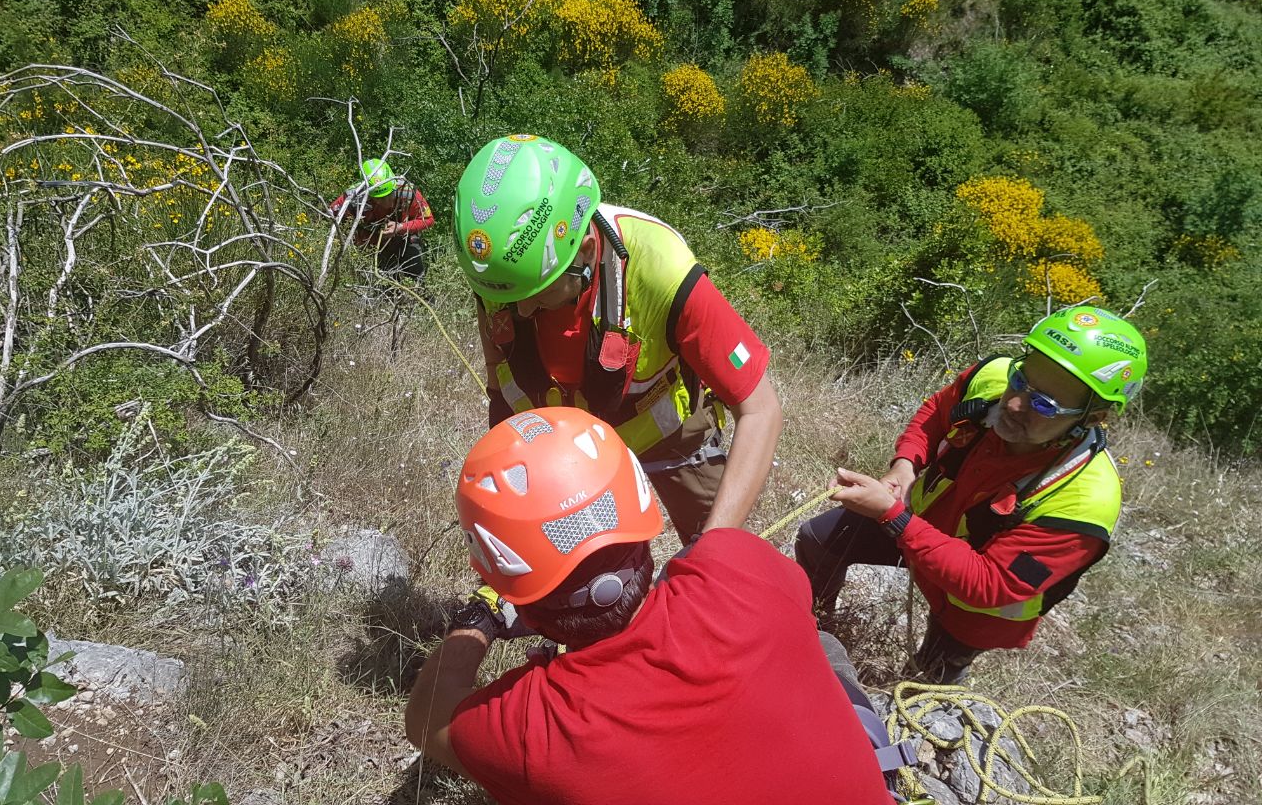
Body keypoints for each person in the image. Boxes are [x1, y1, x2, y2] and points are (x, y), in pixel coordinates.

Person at [404, 407, 895, 805]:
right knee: (821, 641)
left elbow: (426, 718)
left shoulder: (532, 728)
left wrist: (478, 618)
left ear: (513, 591)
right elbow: (784, 589)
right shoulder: (737, 564)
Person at [451, 134, 782, 543]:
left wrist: (712, 549)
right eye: (506, 298)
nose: (520, 312)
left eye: (538, 296)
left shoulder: (663, 271)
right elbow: (499, 379)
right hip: (561, 448)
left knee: (718, 562)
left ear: (587, 251)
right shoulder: (510, 274)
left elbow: (761, 410)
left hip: (668, 440)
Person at [795, 305, 1148, 684]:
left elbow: (990, 584)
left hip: (970, 610)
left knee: (927, 683)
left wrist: (892, 517)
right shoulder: (992, 380)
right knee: (819, 538)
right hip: (918, 528)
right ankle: (807, 630)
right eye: (1021, 381)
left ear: (1092, 418)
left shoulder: (1083, 502)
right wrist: (906, 465)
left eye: (1044, 404)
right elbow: (936, 413)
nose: (1014, 404)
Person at [330, 158, 434, 282]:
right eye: (379, 198)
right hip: (372, 248)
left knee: (417, 280)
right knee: (384, 286)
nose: (386, 202)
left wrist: (401, 227)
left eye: (389, 195)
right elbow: (330, 215)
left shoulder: (407, 192)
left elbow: (428, 220)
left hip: (404, 241)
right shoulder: (354, 197)